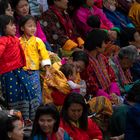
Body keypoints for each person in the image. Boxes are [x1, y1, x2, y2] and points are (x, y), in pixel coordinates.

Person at [0, 15, 39, 120]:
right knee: (14, 95)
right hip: (9, 74)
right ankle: (18, 118)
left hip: (19, 71)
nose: (14, 27)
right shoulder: (4, 40)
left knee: (27, 92)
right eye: (11, 25)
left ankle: (29, 117)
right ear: (3, 28)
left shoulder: (16, 39)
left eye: (14, 25)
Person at [19, 15, 51, 103]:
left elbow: (45, 55)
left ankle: (37, 112)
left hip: (34, 72)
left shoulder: (38, 41)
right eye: (30, 26)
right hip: (21, 71)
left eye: (34, 26)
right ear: (22, 28)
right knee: (24, 93)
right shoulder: (18, 41)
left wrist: (47, 70)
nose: (33, 28)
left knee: (36, 93)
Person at [82, 29, 120, 99]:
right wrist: (108, 97)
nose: (106, 45)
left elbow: (112, 77)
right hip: (96, 99)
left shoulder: (102, 58)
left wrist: (113, 93)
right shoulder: (85, 61)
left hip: (110, 96)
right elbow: (91, 87)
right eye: (105, 43)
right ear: (97, 45)